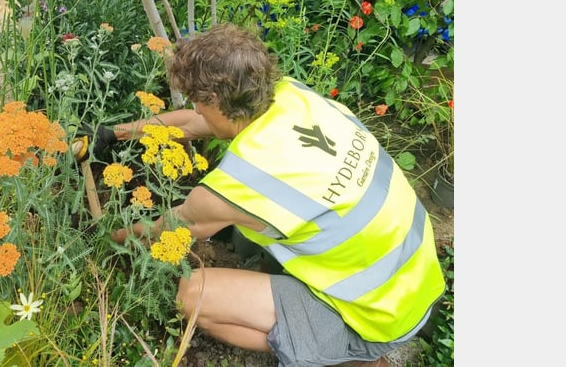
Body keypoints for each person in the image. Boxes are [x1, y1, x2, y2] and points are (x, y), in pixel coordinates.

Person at [84, 23, 445, 367]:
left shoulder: (242, 183)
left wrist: (103, 237)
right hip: (418, 277)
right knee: (248, 234)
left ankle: (347, 354)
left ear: (214, 99)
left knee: (193, 296)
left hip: (376, 316)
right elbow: (196, 124)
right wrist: (113, 133)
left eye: (197, 100)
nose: (194, 109)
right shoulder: (293, 97)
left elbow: (165, 229)